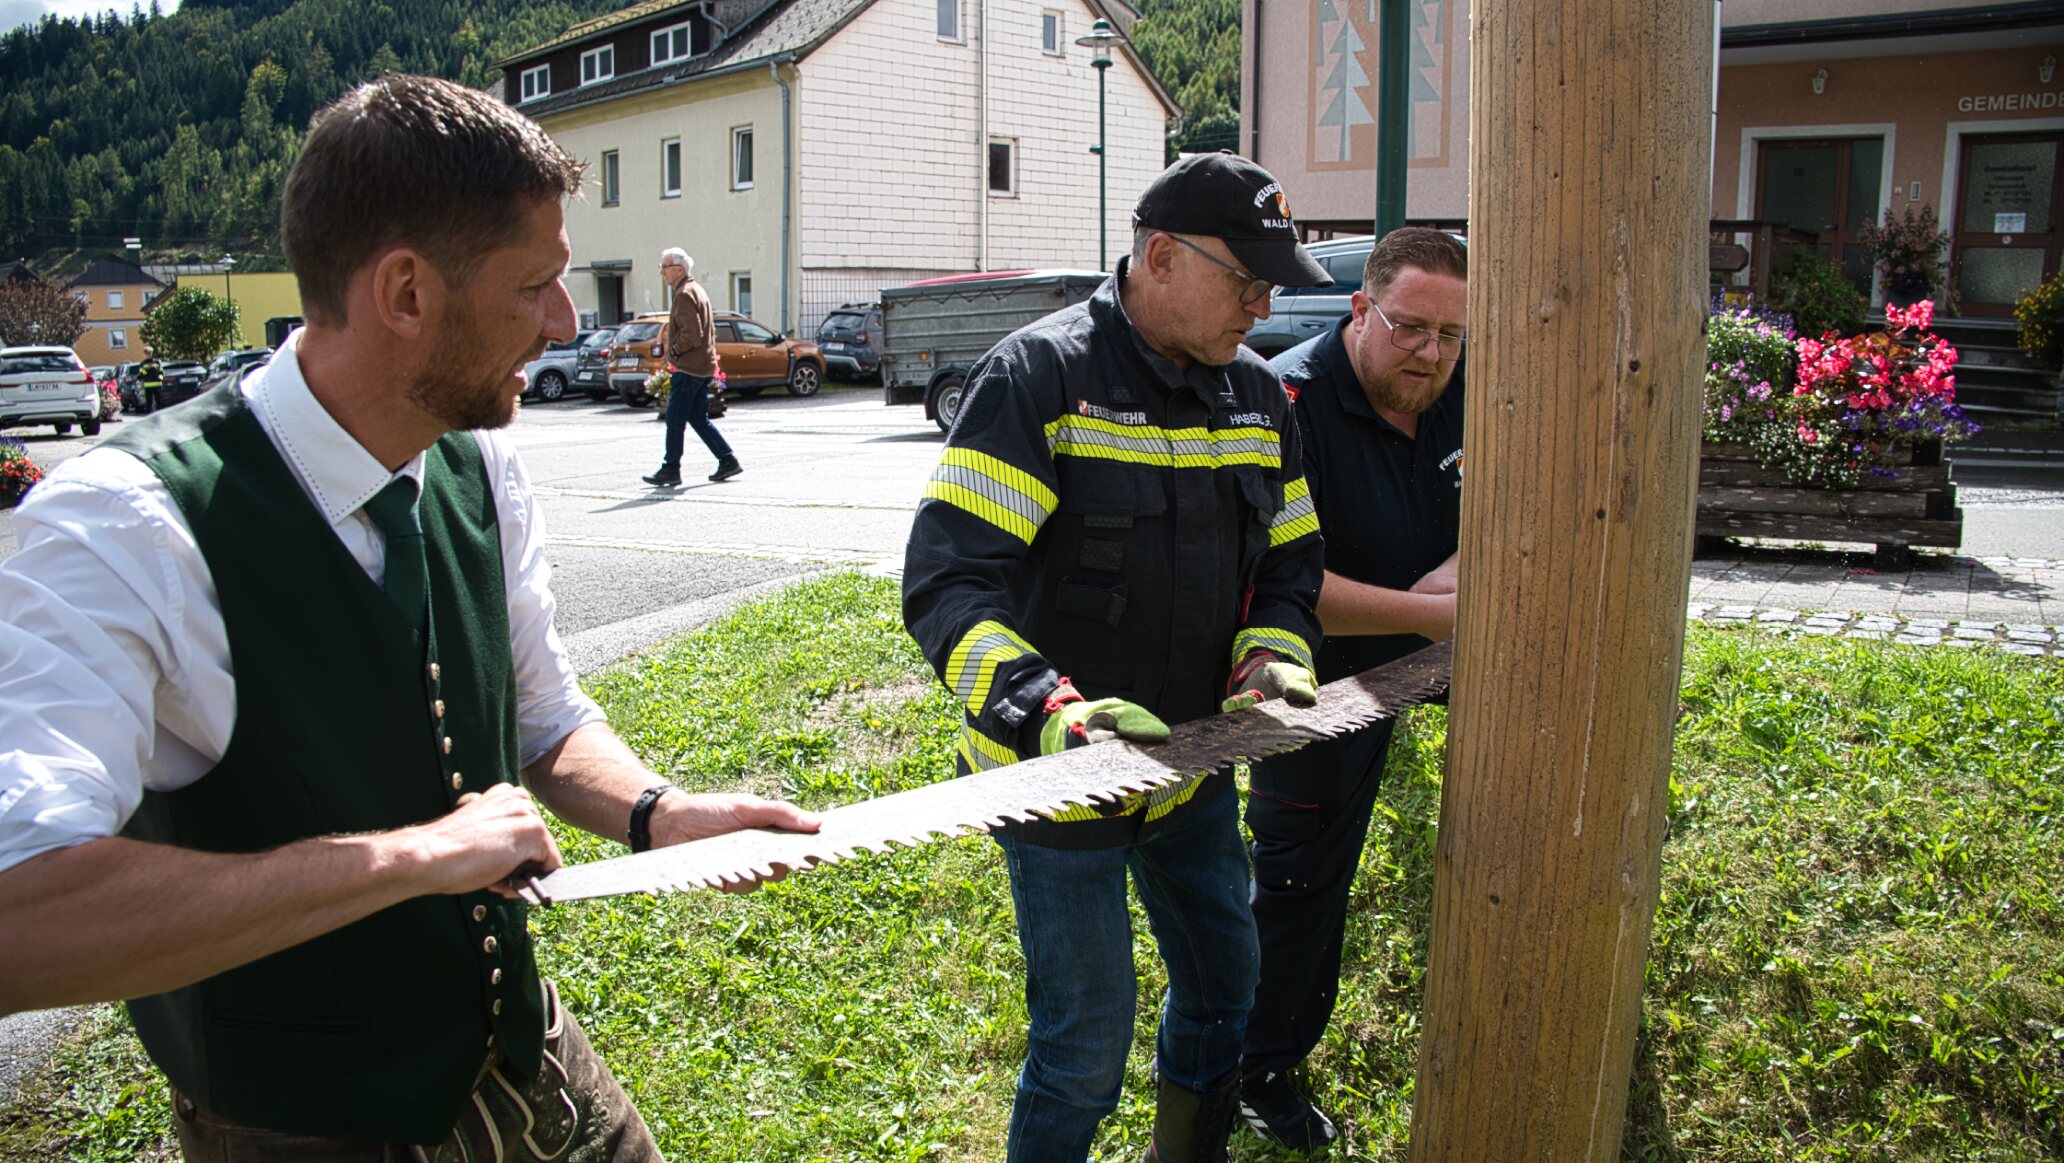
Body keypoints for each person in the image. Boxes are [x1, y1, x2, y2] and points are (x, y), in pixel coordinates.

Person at [0, 75, 818, 1161]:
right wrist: (418, 855)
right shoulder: (124, 522)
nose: (565, 323)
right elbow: (21, 913)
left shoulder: (479, 459)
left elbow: (541, 714)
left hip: (527, 1061)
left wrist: (655, 811)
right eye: (535, 285)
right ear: (404, 292)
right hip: (305, 1131)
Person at [902, 152, 1330, 1163]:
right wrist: (1047, 708)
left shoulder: (1259, 399)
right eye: (1248, 281)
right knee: (1084, 1046)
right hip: (1056, 779)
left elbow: (1291, 565)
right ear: (1162, 256)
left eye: (1273, 287)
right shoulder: (1039, 378)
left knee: (1227, 986)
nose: (1263, 307)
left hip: (1191, 771)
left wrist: (1271, 654)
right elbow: (948, 582)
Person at [1237, 226, 1468, 1151]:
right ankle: (1260, 1066)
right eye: (1410, 327)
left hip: (1445, 641)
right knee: (1301, 880)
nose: (1431, 354)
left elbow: (1508, 507)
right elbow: (1283, 586)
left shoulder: (1468, 388)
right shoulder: (1287, 401)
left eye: (1451, 335)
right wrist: (1438, 614)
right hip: (1321, 682)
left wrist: (1447, 590)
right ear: (1360, 309)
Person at [642, 248, 740, 486]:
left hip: (689, 368)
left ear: (679, 269)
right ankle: (727, 460)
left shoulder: (684, 294)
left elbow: (692, 334)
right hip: (702, 366)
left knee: (675, 419)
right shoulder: (696, 290)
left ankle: (671, 469)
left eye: (665, 267)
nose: (662, 272)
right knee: (697, 417)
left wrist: (674, 351)